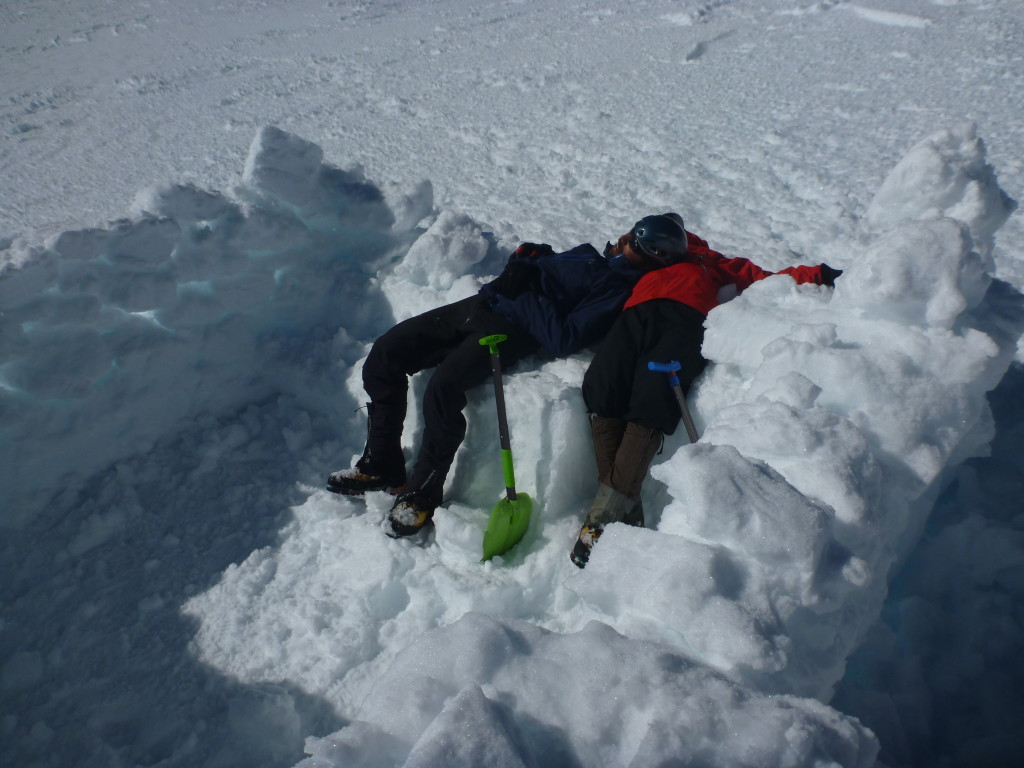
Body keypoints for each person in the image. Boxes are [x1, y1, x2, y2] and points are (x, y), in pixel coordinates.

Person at [327, 223, 670, 538]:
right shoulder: (590, 255)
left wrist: (521, 292)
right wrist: (525, 260)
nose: (629, 238)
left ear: (653, 260)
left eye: (643, 243)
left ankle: (421, 493)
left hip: (509, 328)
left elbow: (564, 337)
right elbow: (538, 272)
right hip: (480, 304)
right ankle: (383, 463)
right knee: (385, 353)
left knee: (443, 389)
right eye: (635, 231)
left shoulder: (615, 287)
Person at [571, 213, 843, 567]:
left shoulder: (709, 261)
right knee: (602, 388)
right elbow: (607, 265)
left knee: (652, 402)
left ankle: (601, 522)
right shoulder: (644, 256)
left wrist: (816, 275)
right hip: (633, 316)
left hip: (684, 319)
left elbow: (765, 281)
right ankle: (625, 506)